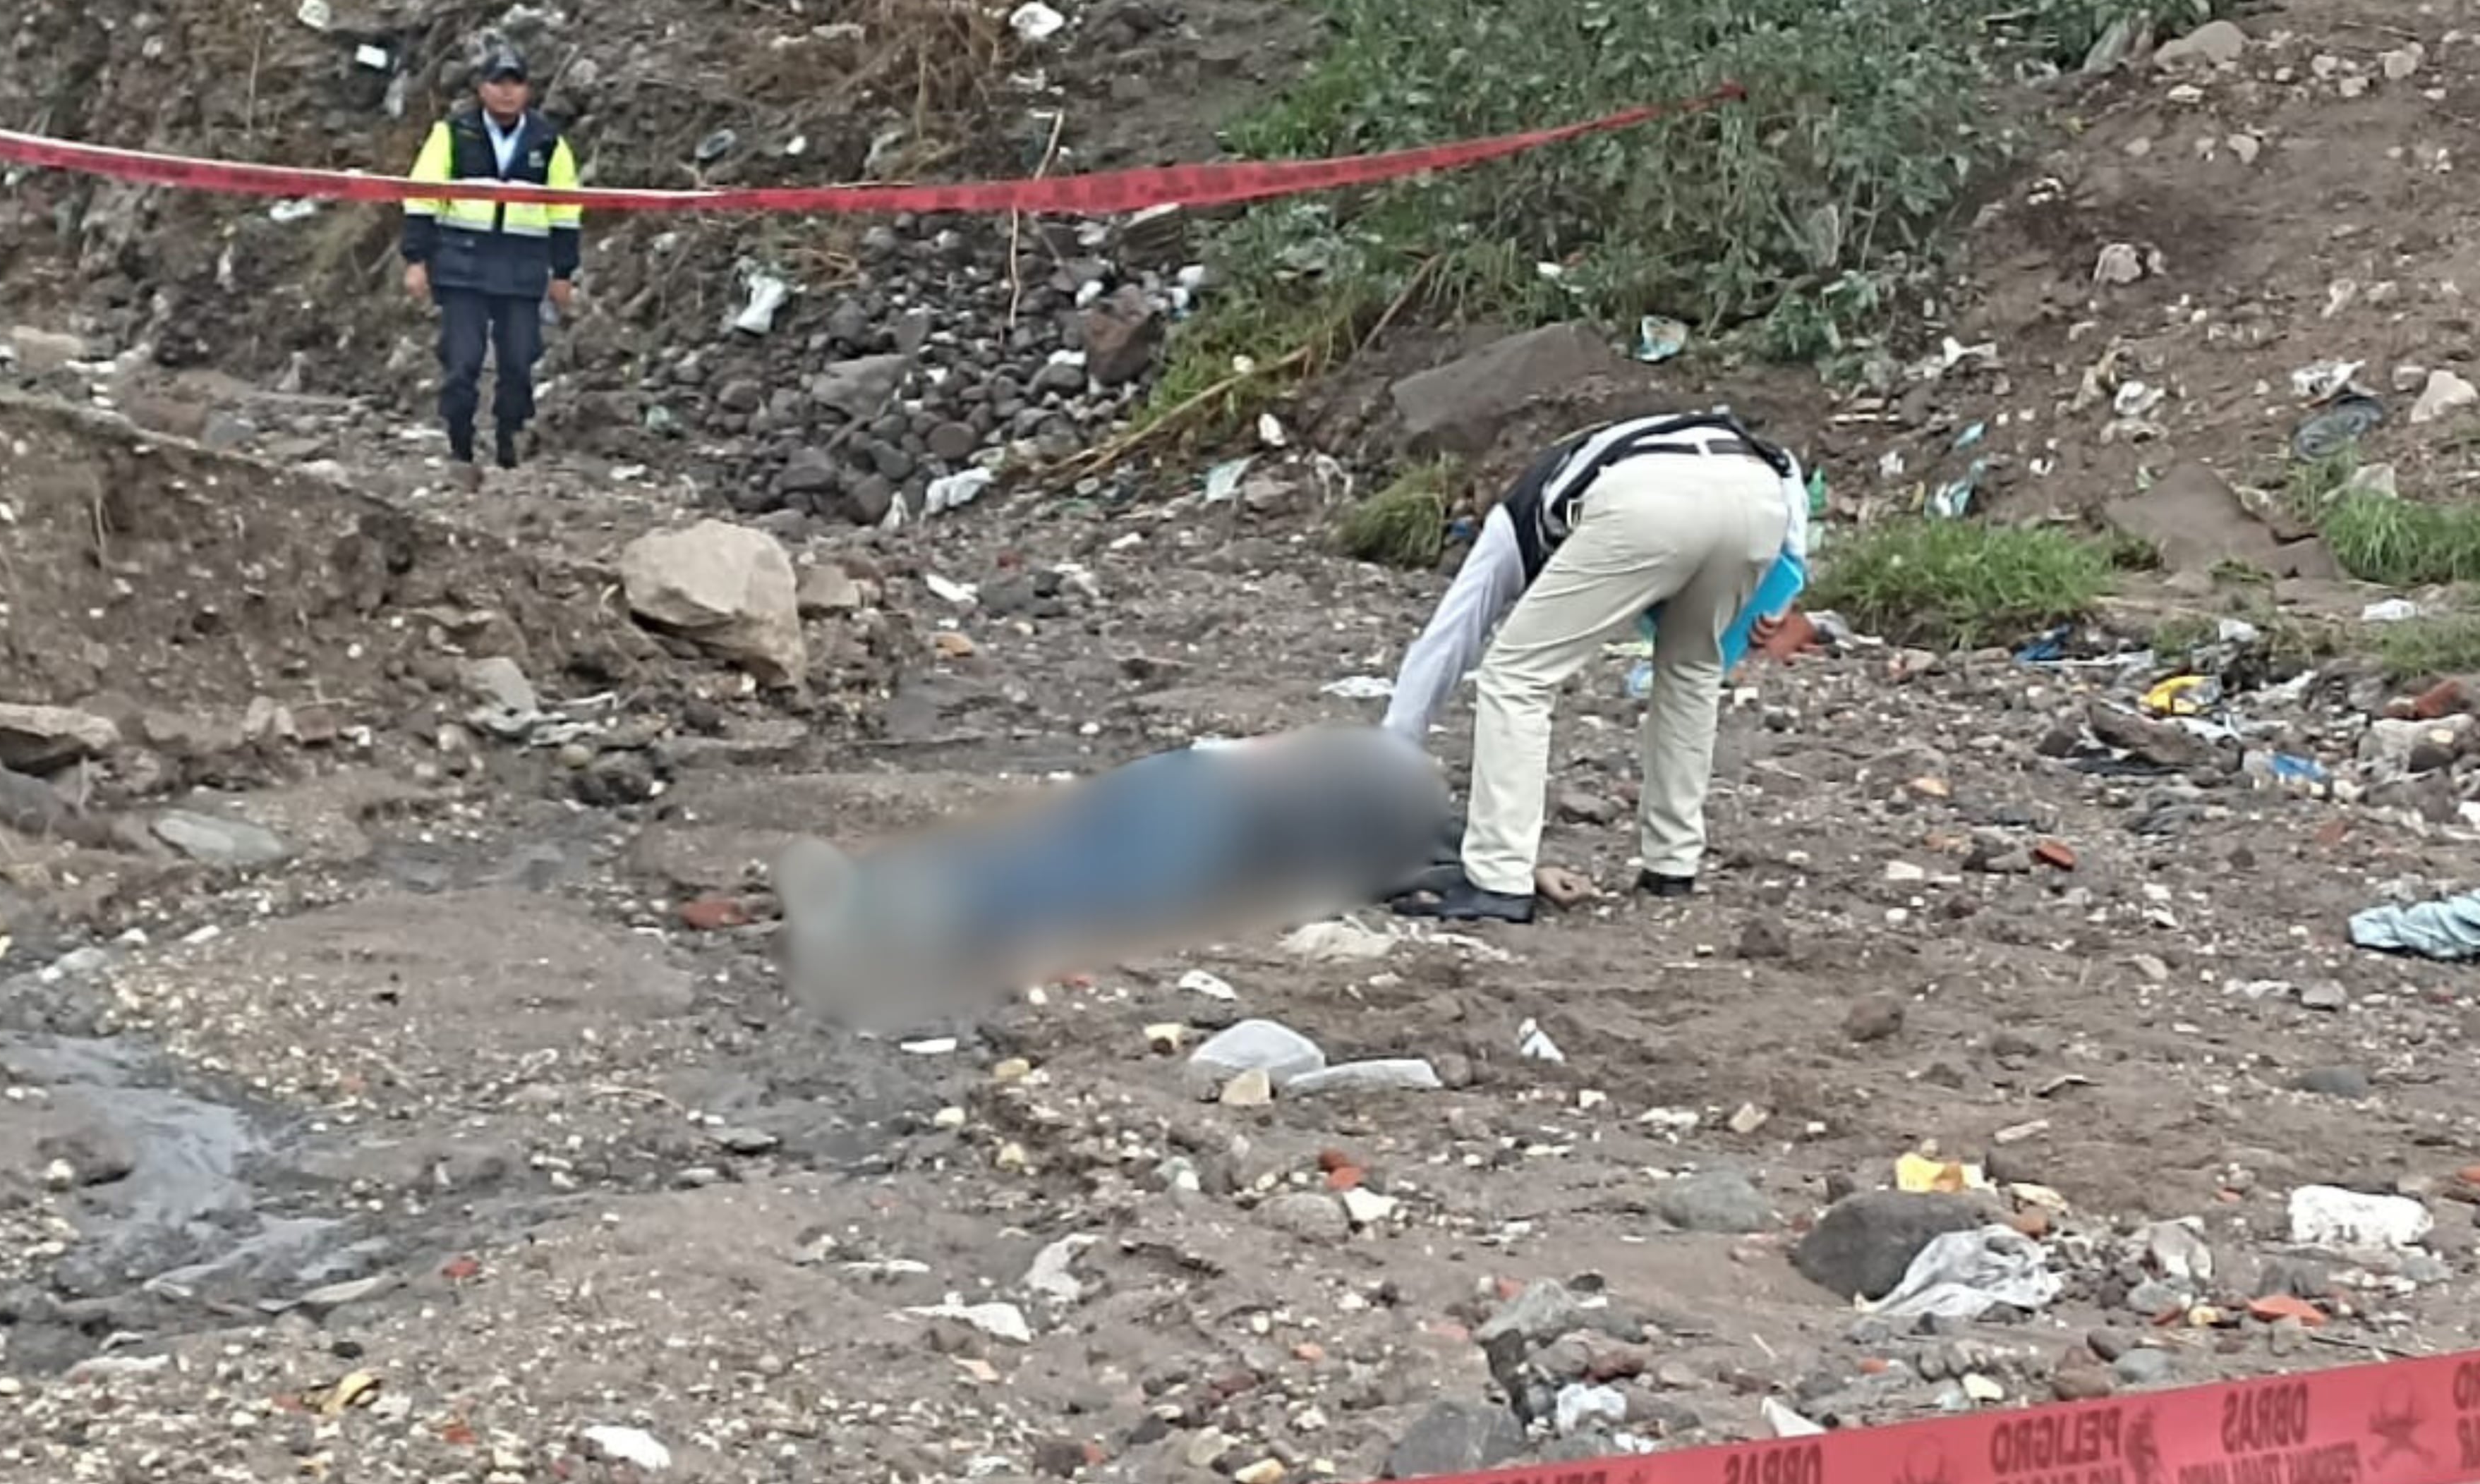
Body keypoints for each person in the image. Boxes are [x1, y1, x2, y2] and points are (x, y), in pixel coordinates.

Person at [1382, 409, 1811, 923]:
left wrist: (1391, 755)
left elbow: (1447, 640)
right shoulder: (1645, 436)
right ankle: (1671, 865)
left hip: (1649, 505)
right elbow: (1784, 465)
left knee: (1516, 675)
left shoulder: (1513, 524)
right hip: (1757, 495)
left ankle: (1498, 880)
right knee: (1692, 668)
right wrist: (1796, 568)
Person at [774, 724, 1451, 1030]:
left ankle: (868, 886)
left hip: (1175, 769)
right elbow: (1322, 859)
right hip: (1212, 812)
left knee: (1048, 848)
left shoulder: (1372, 752)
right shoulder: (1389, 802)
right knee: (1102, 887)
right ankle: (924, 908)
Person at [399, 45, 582, 468]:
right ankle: (460, 446)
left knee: (518, 363)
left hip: (522, 269)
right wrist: (416, 259)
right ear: (481, 88)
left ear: (528, 90)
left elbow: (566, 208)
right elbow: (422, 196)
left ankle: (508, 444)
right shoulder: (453, 133)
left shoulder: (548, 141)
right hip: (463, 265)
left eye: (515, 83)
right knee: (462, 364)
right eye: (497, 83)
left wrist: (563, 272)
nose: (506, 92)